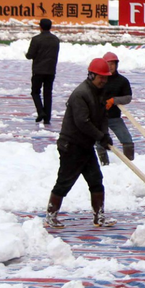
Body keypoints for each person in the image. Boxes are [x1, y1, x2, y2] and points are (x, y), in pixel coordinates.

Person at [45, 57, 116, 229]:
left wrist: (104, 135)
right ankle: (51, 215)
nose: (104, 81)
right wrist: (100, 136)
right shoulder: (80, 94)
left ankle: (99, 217)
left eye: (106, 78)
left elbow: (102, 117)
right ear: (92, 76)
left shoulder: (99, 93)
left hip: (85, 145)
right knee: (65, 181)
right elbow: (82, 122)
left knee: (96, 180)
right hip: (72, 145)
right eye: (101, 77)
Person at [98, 51, 134, 164]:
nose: (110, 66)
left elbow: (128, 98)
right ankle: (104, 165)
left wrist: (114, 100)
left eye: (112, 64)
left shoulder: (122, 81)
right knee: (100, 142)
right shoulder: (98, 79)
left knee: (127, 140)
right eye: (108, 63)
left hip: (114, 117)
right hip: (99, 118)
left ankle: (130, 164)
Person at [26, 18, 60, 128]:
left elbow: (30, 55)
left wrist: (27, 55)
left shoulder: (36, 39)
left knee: (35, 92)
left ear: (40, 27)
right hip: (50, 70)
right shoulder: (55, 40)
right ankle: (47, 118)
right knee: (47, 94)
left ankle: (40, 111)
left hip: (38, 70)